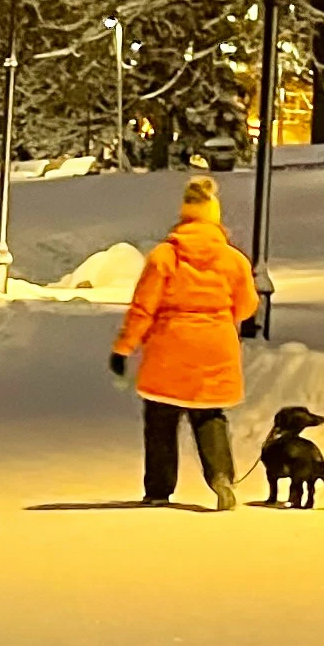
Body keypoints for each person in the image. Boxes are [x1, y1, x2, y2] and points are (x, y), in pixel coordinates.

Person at [112, 172, 259, 508]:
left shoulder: (164, 256)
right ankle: (221, 476)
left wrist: (124, 347)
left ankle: (159, 490)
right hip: (216, 344)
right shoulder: (233, 259)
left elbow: (143, 308)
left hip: (170, 345)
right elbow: (248, 306)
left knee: (161, 417)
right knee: (209, 415)